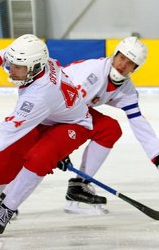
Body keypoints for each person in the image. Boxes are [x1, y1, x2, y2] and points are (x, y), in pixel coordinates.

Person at [0, 34, 93, 236]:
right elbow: (17, 54)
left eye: (17, 67)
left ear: (35, 68)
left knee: (39, 157)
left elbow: (6, 131)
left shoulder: (39, 94)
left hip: (72, 125)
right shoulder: (37, 61)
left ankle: (7, 208)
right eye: (11, 64)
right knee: (3, 161)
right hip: (45, 118)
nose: (11, 70)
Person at [59, 36, 151, 213]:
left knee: (110, 130)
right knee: (37, 149)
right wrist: (59, 149)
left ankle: (79, 186)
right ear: (115, 54)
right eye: (122, 57)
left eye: (130, 62)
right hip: (50, 104)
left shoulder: (126, 88)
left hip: (72, 109)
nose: (123, 65)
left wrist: (156, 155)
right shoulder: (93, 74)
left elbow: (138, 120)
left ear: (135, 68)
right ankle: (3, 197)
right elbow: (64, 105)